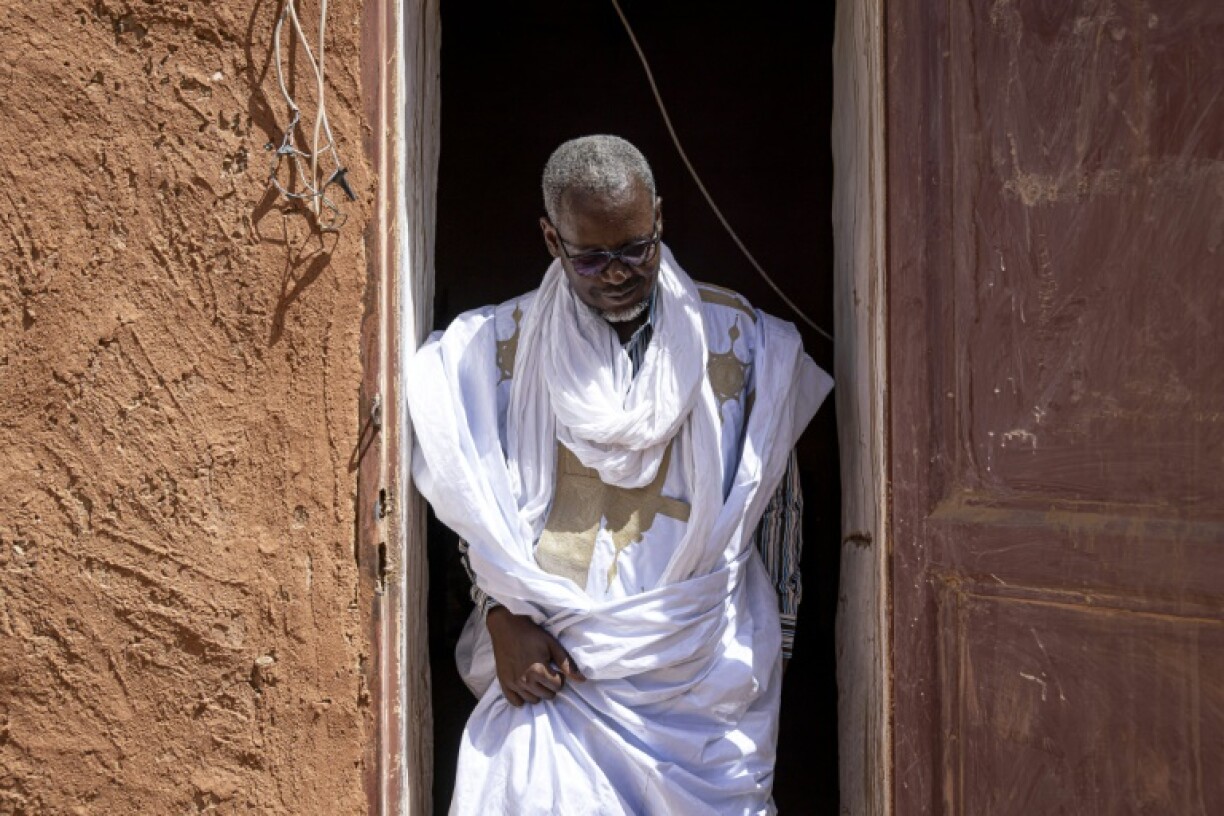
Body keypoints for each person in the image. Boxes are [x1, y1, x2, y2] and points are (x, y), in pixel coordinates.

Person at [408, 134, 832, 815]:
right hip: (555, 672)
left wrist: (768, 653)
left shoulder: (743, 341)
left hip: (704, 682)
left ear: (659, 217)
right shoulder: (495, 350)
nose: (616, 274)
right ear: (551, 239)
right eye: (591, 257)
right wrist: (497, 614)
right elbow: (474, 502)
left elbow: (772, 503)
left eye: (636, 249)